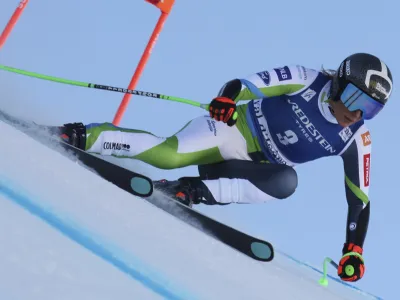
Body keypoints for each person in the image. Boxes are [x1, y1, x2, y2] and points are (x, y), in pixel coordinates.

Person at [58, 53, 393, 282]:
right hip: (230, 131)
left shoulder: (356, 139)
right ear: (338, 85)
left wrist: (354, 250)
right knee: (168, 155)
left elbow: (359, 200)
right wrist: (227, 100)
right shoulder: (307, 80)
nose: (357, 114)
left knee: (286, 183)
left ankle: (188, 191)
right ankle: (81, 135)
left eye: (370, 110)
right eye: (354, 100)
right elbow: (243, 84)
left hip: (247, 169)